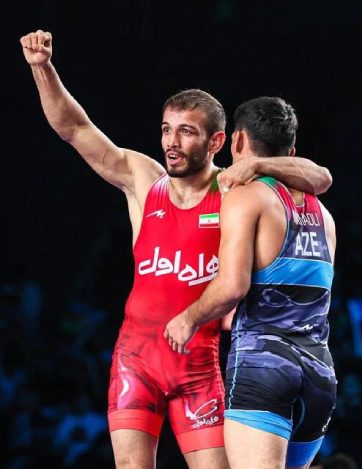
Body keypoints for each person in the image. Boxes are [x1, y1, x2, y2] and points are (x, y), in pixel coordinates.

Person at [20, 29, 332, 469]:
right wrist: (43, 68)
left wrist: (259, 163)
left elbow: (319, 178)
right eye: (167, 130)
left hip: (199, 369)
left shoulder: (236, 191)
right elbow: (74, 129)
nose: (171, 142)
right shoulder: (144, 181)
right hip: (136, 360)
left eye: (186, 132)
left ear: (217, 142)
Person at [165, 97, 337, 469]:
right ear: (291, 152)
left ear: (238, 140)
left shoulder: (247, 197)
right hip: (320, 375)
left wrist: (187, 318)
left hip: (264, 367)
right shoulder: (324, 215)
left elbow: (233, 286)